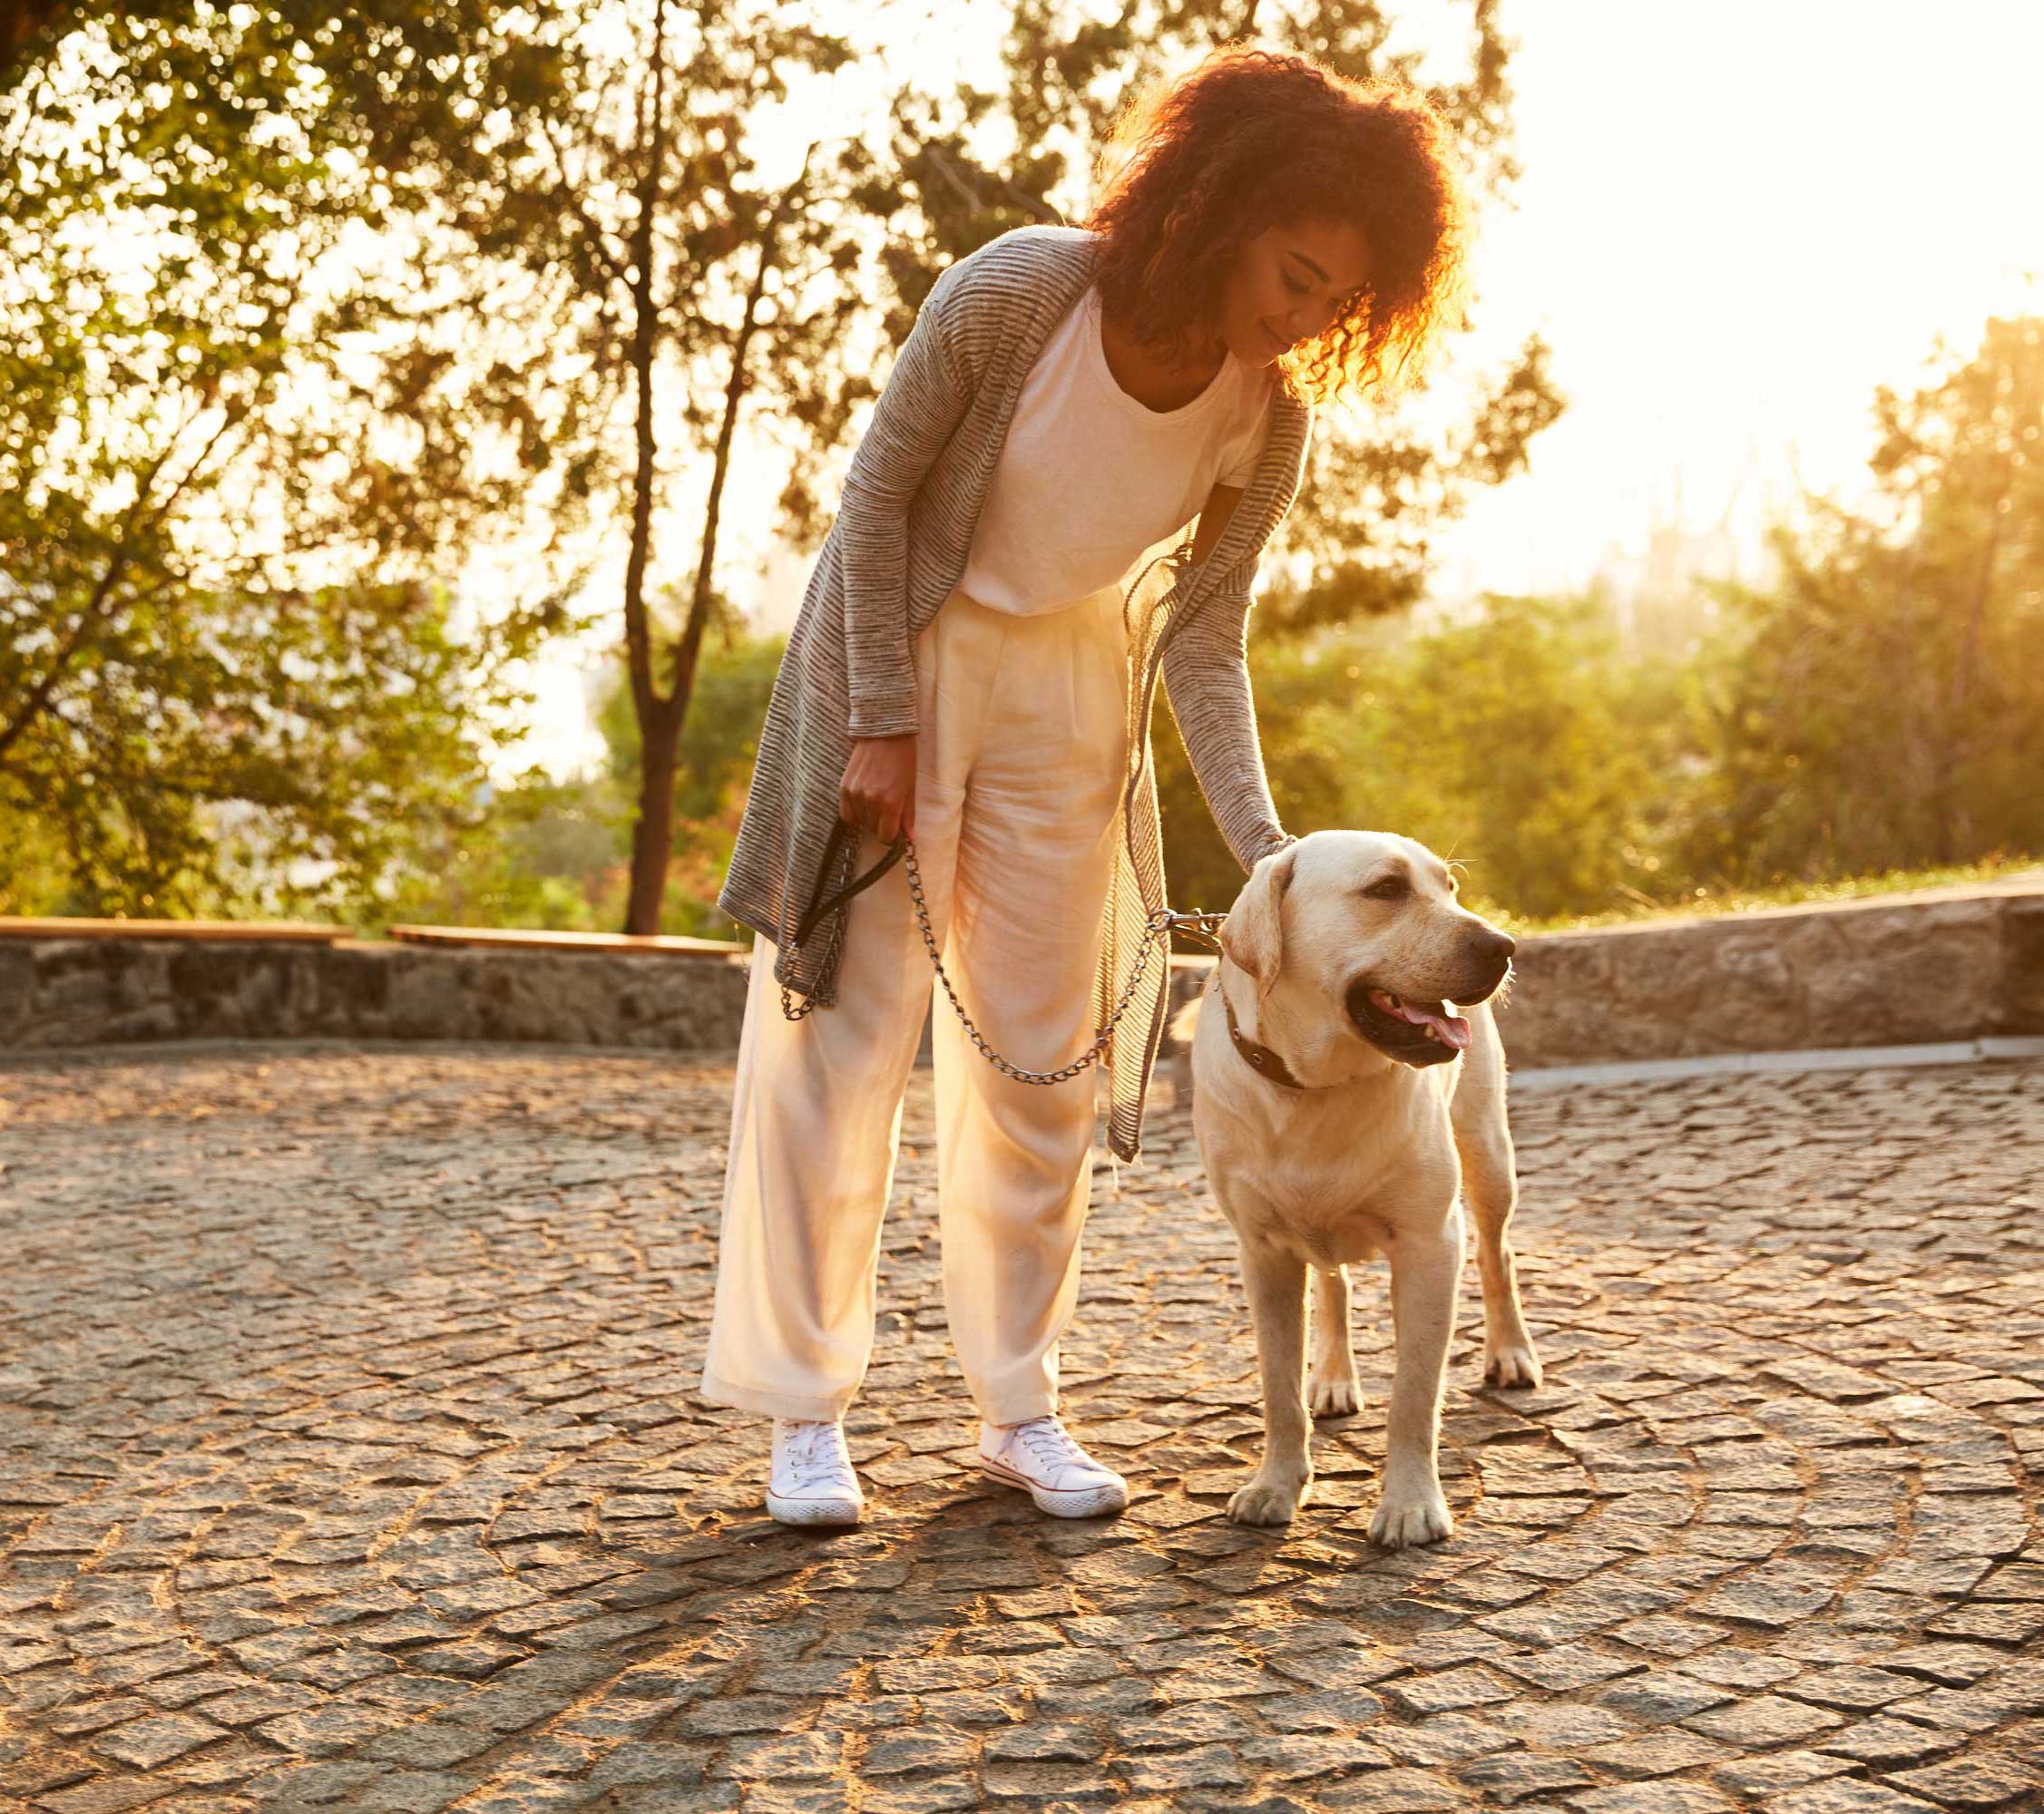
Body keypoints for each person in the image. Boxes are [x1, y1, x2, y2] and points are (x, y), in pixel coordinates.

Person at [698, 44, 1470, 1526]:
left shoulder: (1266, 415)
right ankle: (807, 1411)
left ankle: (1017, 1406)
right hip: (906, 650)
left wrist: (1272, 864)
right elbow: (874, 500)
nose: (1300, 316)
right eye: (1293, 273)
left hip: (1072, 703)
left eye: (1333, 302)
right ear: (1219, 204)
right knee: (842, 1041)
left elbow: (1205, 642)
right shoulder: (1017, 292)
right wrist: (877, 716)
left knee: (1040, 1061)